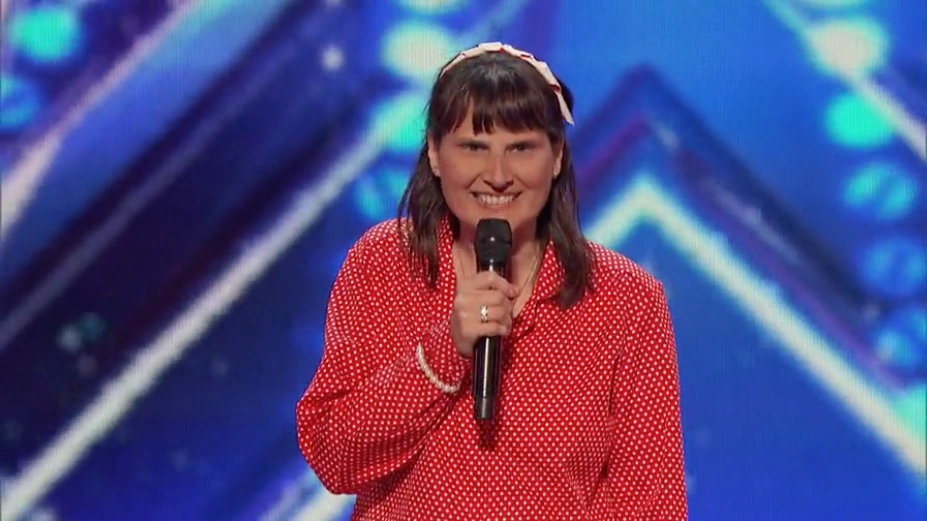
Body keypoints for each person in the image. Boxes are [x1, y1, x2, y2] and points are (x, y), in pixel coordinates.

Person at [296, 41, 688, 520]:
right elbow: (333, 456)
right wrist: (445, 352)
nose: (497, 175)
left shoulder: (625, 298)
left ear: (556, 156)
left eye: (521, 148)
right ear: (435, 154)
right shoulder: (386, 263)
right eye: (474, 148)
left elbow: (652, 503)